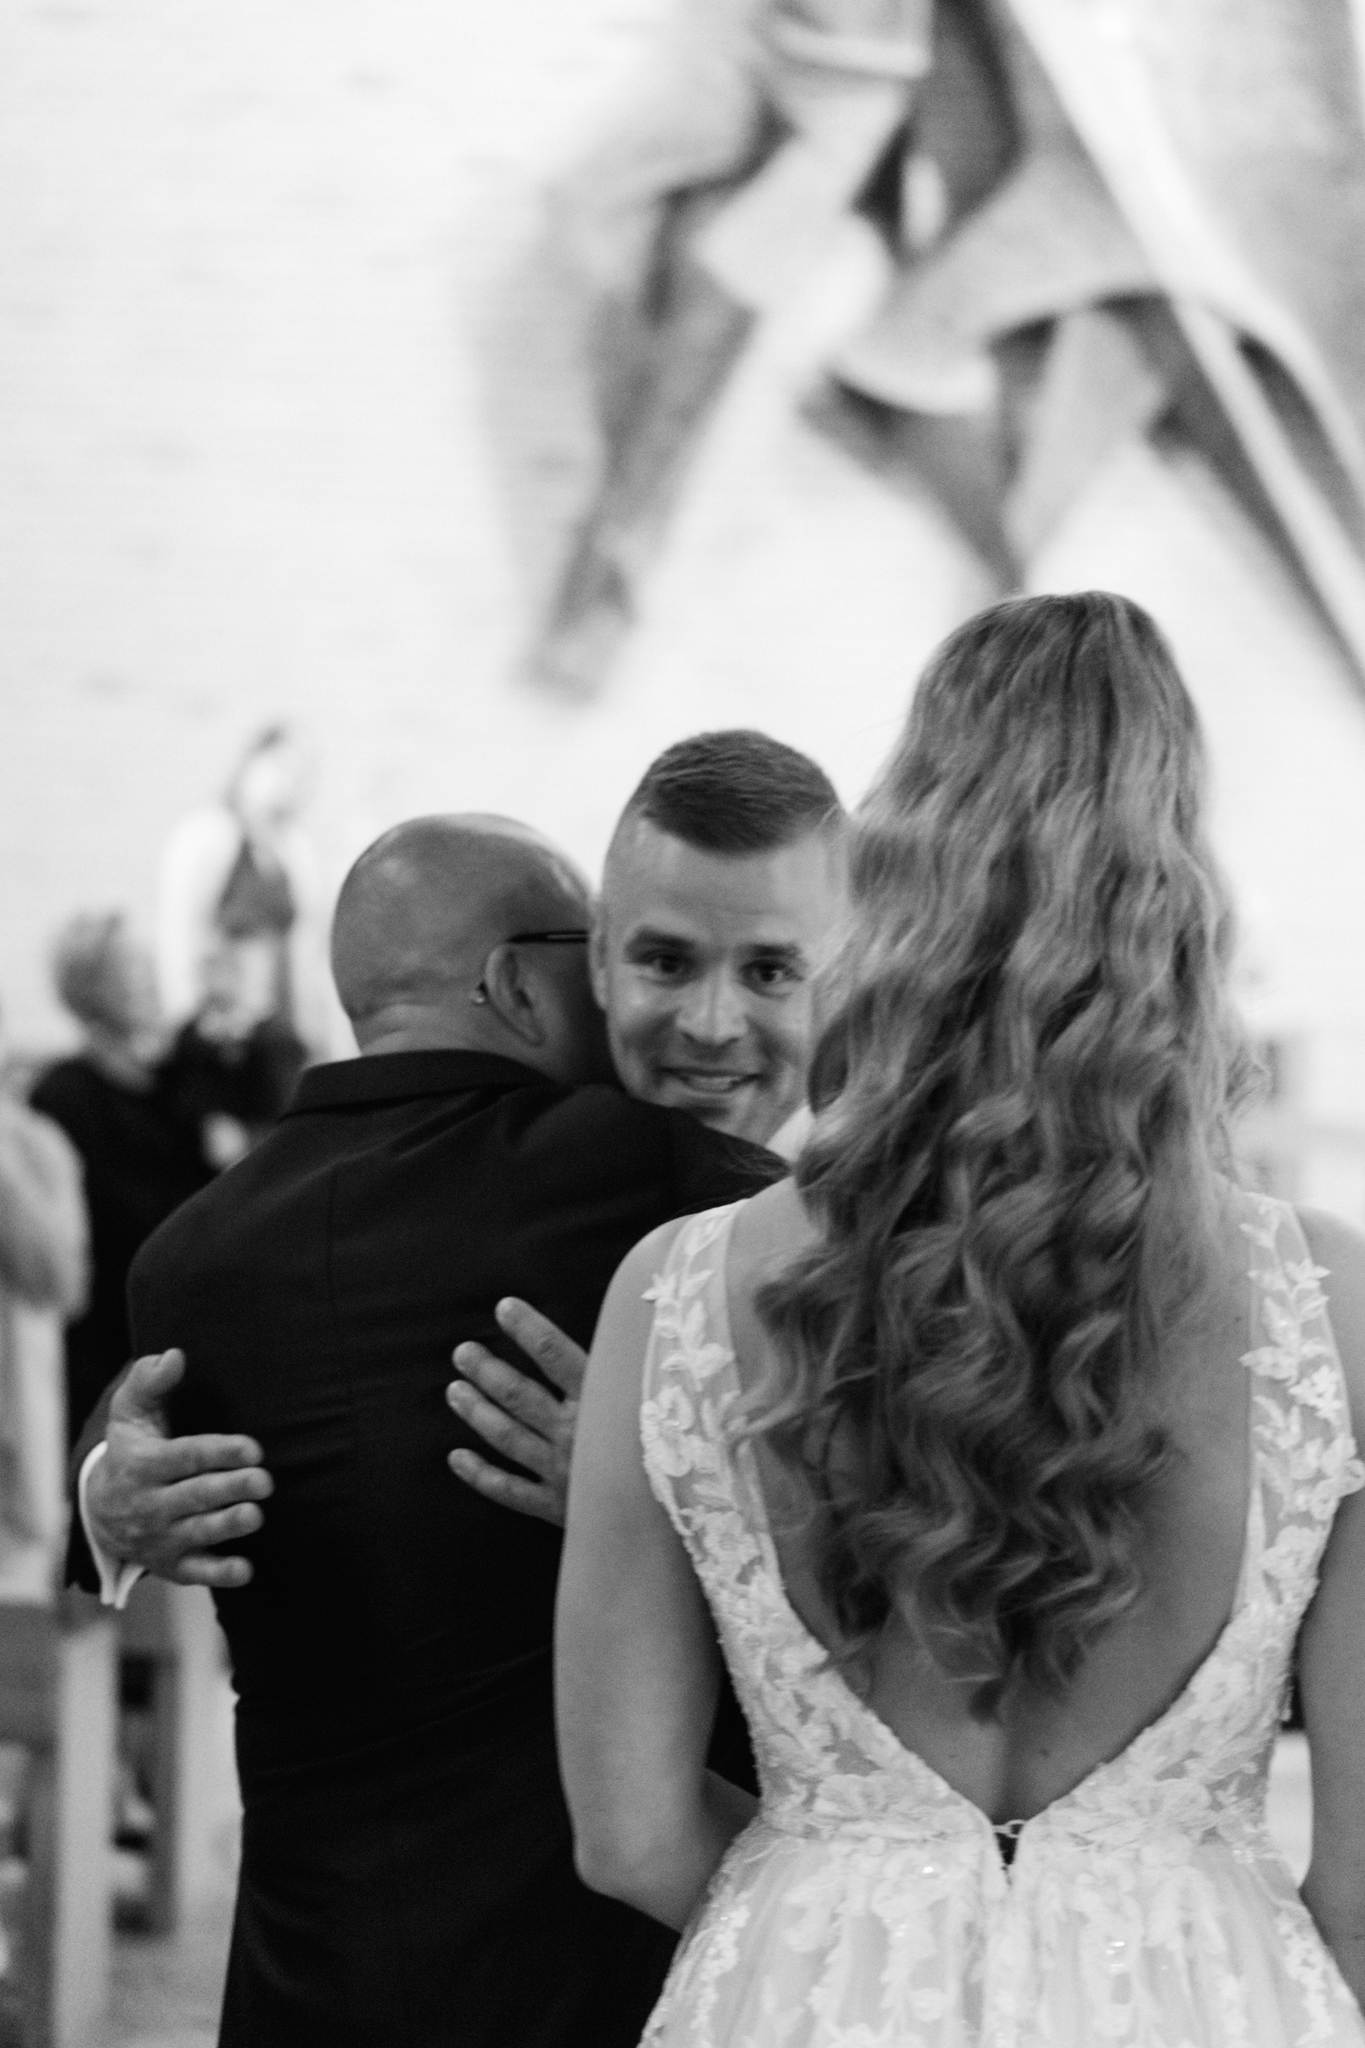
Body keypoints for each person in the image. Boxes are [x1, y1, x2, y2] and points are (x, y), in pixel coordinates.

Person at [557, 591, 1365, 2042]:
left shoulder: (675, 1292)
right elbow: (1364, 1886)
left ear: (895, 875)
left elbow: (628, 1834)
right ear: (1183, 894)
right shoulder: (1330, 1304)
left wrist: (846, 1911)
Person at [79, 811, 806, 2048]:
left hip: (307, 1978)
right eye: (595, 952)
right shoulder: (663, 1180)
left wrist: (102, 1490)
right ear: (517, 983)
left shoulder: (190, 1254)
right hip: (597, 1970)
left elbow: (139, 1410)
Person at [76, 727, 848, 1574]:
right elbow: (157, 1387)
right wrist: (108, 1492)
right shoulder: (603, 1178)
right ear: (600, 963)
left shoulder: (874, 1205)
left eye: (770, 972)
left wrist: (657, 1494)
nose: (709, 1024)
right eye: (664, 962)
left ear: (846, 972)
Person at [30, 913, 220, 1448]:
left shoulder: (179, 1080)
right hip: (105, 1345)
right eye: (131, 966)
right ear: (91, 987)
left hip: (182, 1333)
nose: (151, 977)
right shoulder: (64, 1095)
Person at [157, 723, 329, 1058]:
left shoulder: (294, 850)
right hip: (222, 1028)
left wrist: (315, 1030)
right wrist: (185, 1024)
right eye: (281, 765)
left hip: (282, 1023)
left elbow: (309, 948)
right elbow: (178, 934)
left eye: (302, 773)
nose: (289, 782)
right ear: (252, 762)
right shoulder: (205, 836)